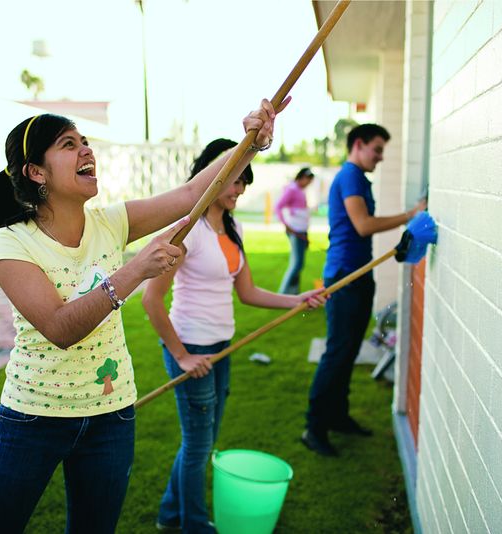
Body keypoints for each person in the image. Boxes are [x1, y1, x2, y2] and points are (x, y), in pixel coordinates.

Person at [0, 99, 283, 533]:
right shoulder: (11, 243)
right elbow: (60, 329)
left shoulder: (109, 223)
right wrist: (135, 269)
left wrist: (251, 142)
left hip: (111, 414)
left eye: (85, 141)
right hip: (34, 416)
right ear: (36, 173)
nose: (85, 151)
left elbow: (193, 194)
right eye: (68, 144)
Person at [142, 139, 326, 533]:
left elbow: (248, 292)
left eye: (245, 182)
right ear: (216, 173)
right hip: (192, 347)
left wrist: (297, 299)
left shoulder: (233, 226)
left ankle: (170, 514)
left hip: (221, 347)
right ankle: (193, 523)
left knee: (201, 441)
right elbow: (151, 299)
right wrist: (182, 355)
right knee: (197, 445)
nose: (241, 190)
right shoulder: (186, 231)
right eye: (236, 180)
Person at [302, 124, 426, 457]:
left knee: (348, 350)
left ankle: (338, 417)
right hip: (344, 276)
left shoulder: (357, 177)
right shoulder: (350, 177)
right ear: (358, 145)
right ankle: (313, 428)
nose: (381, 157)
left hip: (359, 274)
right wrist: (411, 214)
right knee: (337, 352)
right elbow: (363, 225)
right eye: (377, 149)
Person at [274, 166, 314, 294]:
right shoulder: (292, 189)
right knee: (296, 264)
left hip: (301, 230)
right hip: (295, 231)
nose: (309, 184)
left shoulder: (300, 190)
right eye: (308, 180)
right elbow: (278, 207)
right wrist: (285, 224)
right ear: (302, 178)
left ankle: (294, 293)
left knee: (298, 264)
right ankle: (283, 293)